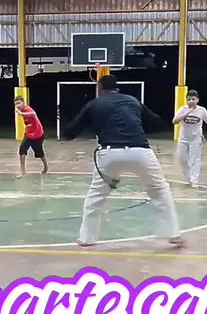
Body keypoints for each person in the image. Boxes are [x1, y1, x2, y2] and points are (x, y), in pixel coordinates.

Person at [62, 74, 185, 248]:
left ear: (99, 88)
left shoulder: (94, 104)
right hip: (140, 151)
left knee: (96, 196)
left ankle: (86, 238)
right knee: (160, 190)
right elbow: (157, 124)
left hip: (109, 153)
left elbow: (70, 132)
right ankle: (174, 234)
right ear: (117, 88)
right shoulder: (132, 101)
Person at [172, 89, 207, 187]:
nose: (191, 101)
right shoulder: (182, 109)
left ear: (197, 100)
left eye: (193, 99)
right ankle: (188, 178)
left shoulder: (202, 110)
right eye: (189, 99)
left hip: (196, 138)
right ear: (186, 100)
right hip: (183, 138)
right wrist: (186, 113)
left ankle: (194, 180)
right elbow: (174, 121)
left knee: (195, 159)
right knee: (182, 159)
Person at [14, 96, 49, 176]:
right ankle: (23, 171)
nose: (17, 105)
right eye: (16, 104)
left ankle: (46, 166)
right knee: (22, 149)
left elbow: (33, 113)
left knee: (39, 152)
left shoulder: (27, 109)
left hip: (37, 134)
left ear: (24, 103)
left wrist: (20, 113)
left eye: (19, 103)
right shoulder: (21, 110)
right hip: (29, 134)